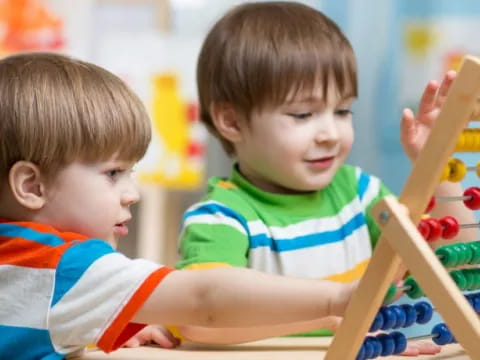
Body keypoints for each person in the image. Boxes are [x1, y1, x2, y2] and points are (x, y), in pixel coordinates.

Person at [0, 52, 361, 360]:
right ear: (31, 185)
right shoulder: (66, 268)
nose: (132, 194)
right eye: (113, 173)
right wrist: (337, 298)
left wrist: (97, 323)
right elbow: (204, 297)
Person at [175, 1, 477, 355]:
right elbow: (197, 320)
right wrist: (333, 315)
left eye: (342, 110)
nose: (330, 133)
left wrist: (436, 165)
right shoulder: (220, 220)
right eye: (303, 114)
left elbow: (458, 261)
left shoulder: (362, 196)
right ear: (232, 122)